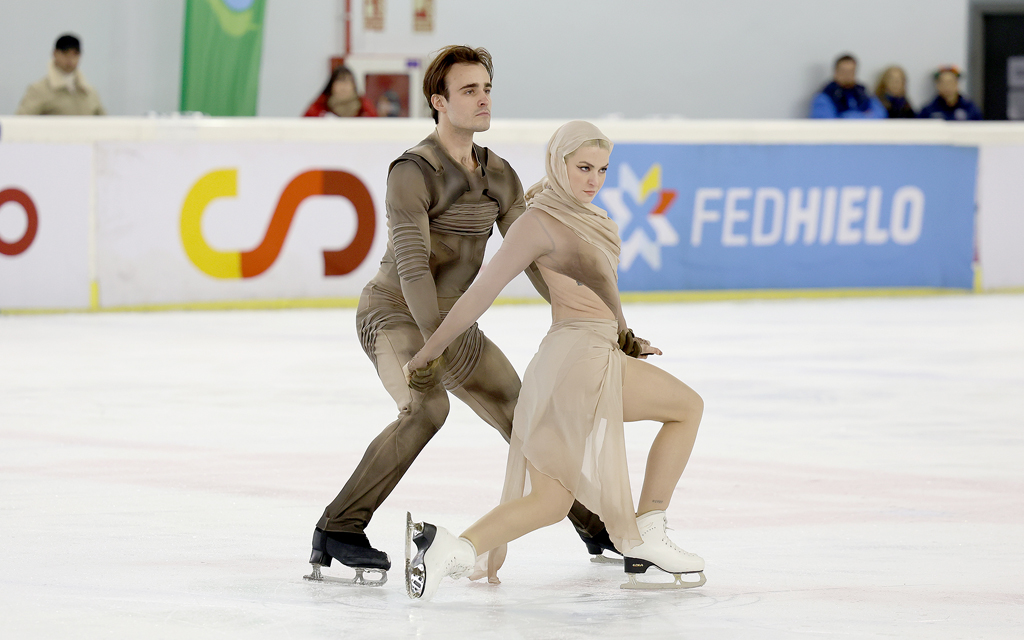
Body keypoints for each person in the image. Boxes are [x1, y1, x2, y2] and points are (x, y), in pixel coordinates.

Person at [307, 47, 611, 587]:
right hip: (396, 315)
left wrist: (591, 319)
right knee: (426, 408)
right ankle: (340, 527)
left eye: (487, 87)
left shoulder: (500, 176)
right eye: (469, 90)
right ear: (438, 101)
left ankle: (594, 524)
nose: (483, 98)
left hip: (452, 324)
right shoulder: (412, 172)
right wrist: (430, 348)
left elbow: (537, 259)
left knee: (525, 413)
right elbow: (413, 268)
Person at [403, 121, 706, 600]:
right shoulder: (537, 222)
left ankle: (446, 549)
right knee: (687, 407)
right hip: (579, 358)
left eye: (602, 170)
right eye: (583, 167)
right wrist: (428, 350)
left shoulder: (580, 213)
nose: (593, 179)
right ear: (558, 162)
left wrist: (626, 336)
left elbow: (600, 295)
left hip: (585, 354)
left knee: (549, 500)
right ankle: (647, 531)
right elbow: (481, 293)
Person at [16, 34, 105, 116]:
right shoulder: (39, 90)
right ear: (55, 54)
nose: (70, 59)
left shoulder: (89, 92)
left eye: (75, 54)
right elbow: (21, 122)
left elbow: (105, 125)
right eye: (65, 53)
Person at [810, 54, 887, 119]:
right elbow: (826, 122)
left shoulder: (864, 93)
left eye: (851, 72)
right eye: (843, 71)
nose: (847, 75)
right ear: (836, 72)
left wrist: (846, 116)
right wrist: (864, 116)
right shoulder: (824, 97)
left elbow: (880, 115)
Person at [303, 65, 377, 117]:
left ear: (354, 86)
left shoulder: (365, 108)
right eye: (339, 82)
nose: (343, 87)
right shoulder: (318, 108)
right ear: (332, 86)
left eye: (347, 82)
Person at [918, 66, 982, 121]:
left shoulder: (970, 108)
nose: (947, 87)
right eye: (943, 83)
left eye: (950, 82)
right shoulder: (928, 110)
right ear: (937, 85)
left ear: (957, 84)